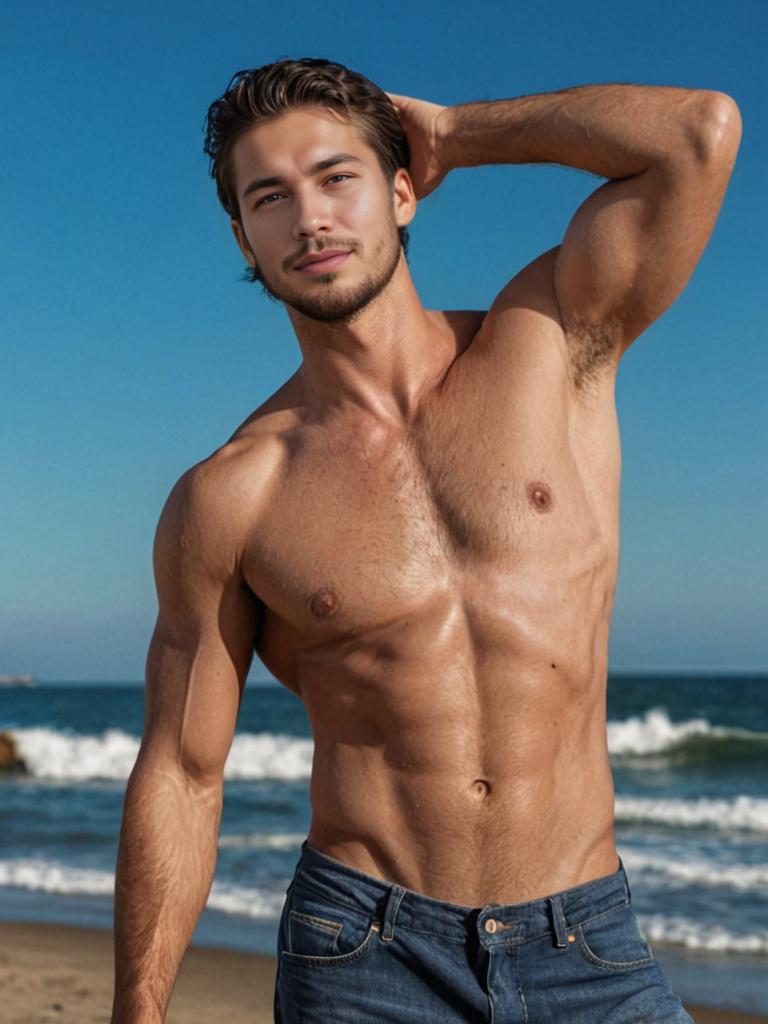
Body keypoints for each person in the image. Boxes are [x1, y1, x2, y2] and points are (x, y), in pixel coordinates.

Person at [110, 57, 740, 1023]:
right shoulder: (229, 497)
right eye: (270, 197)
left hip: (590, 945)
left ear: (402, 190)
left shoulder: (550, 342)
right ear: (242, 234)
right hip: (363, 952)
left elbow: (697, 136)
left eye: (337, 177)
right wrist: (138, 1011)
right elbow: (182, 774)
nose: (310, 218)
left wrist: (456, 133)